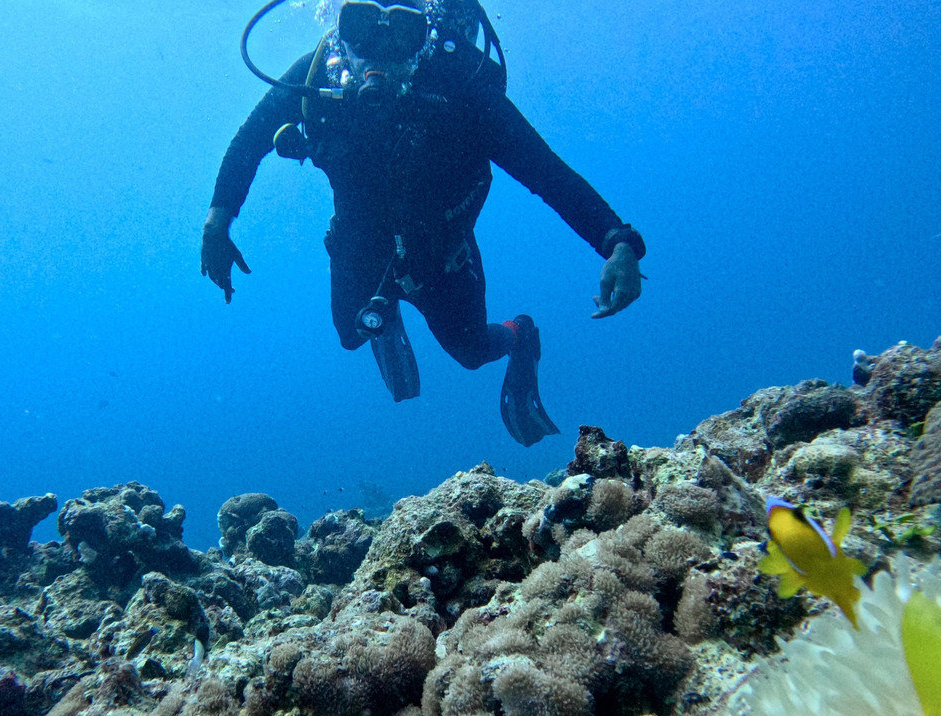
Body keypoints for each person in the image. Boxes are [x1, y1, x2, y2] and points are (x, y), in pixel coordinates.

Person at [201, 0, 645, 446]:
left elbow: (545, 172)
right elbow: (249, 140)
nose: (376, 52)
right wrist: (217, 223)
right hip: (359, 241)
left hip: (442, 253)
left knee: (472, 352)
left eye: (400, 32)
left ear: (425, 37)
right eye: (359, 27)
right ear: (340, 30)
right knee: (350, 336)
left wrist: (617, 242)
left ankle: (521, 335)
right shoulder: (317, 74)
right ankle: (385, 307)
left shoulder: (462, 89)